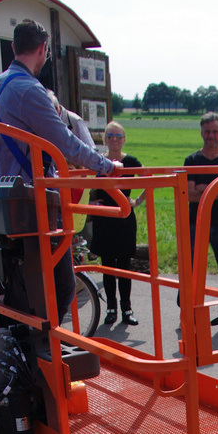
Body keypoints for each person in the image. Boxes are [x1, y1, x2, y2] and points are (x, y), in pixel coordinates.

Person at [0, 19, 121, 321]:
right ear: (43, 49)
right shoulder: (30, 90)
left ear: (14, 47)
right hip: (34, 205)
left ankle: (21, 342)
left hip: (1, 205)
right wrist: (106, 166)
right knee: (62, 287)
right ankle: (37, 345)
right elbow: (65, 142)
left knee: (17, 285)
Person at [184, 112, 218, 326]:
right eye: (207, 131)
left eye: (215, 131)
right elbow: (188, 194)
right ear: (201, 132)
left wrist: (202, 188)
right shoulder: (192, 160)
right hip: (195, 223)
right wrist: (217, 188)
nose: (211, 135)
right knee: (192, 271)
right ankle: (188, 314)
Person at [88, 121, 144, 326]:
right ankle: (111, 309)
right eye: (110, 136)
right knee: (108, 267)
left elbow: (150, 179)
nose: (114, 140)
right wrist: (90, 203)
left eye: (118, 136)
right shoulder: (98, 161)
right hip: (104, 218)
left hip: (124, 218)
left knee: (124, 267)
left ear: (124, 139)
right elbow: (86, 184)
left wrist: (137, 201)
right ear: (105, 139)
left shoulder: (131, 161)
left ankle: (127, 309)